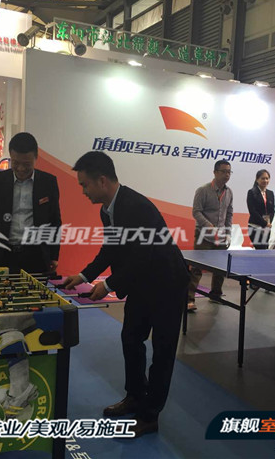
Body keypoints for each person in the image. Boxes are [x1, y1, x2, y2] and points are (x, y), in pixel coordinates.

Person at [61, 151, 188, 438]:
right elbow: (111, 249)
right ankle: (135, 396)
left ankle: (149, 416)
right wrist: (84, 276)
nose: (83, 191)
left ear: (102, 181)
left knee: (163, 352)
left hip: (168, 283)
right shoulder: (107, 210)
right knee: (131, 338)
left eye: (84, 185)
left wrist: (107, 286)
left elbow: (142, 256)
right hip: (143, 282)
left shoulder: (136, 207)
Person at [0, 132, 61, 274]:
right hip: (4, 253)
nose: (21, 168)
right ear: (10, 156)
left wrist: (54, 255)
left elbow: (55, 220)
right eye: (16, 163)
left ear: (36, 158)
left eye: (26, 164)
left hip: (36, 254)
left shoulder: (48, 182)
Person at [187, 159, 234, 311]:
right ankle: (189, 299)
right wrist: (209, 226)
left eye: (229, 172)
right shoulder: (203, 190)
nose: (227, 175)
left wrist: (228, 233)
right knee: (197, 269)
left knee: (220, 269)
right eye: (224, 171)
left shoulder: (229, 192)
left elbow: (229, 214)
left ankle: (215, 295)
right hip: (204, 236)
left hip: (221, 237)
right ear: (215, 172)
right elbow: (196, 212)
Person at [246, 169, 275, 250]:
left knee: (265, 249)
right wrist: (264, 223)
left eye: (267, 178)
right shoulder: (251, 192)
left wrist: (269, 223)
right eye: (262, 178)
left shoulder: (270, 193)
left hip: (267, 228)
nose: (265, 180)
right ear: (257, 179)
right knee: (260, 249)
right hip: (255, 226)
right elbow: (252, 211)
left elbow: (272, 210)